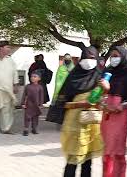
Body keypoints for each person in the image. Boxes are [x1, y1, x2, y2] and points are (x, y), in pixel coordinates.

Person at [49, 46, 109, 177]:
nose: (89, 60)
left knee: (87, 162)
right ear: (81, 59)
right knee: (72, 161)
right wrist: (81, 104)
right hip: (74, 125)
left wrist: (105, 90)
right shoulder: (72, 77)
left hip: (91, 124)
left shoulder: (99, 77)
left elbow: (102, 103)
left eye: (92, 58)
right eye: (86, 57)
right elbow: (63, 103)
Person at [101, 46, 127, 177]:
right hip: (106, 115)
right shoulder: (107, 71)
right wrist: (104, 96)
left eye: (117, 55)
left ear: (124, 57)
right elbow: (97, 96)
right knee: (107, 151)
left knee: (118, 151)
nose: (114, 58)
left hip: (120, 116)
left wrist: (121, 107)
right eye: (112, 56)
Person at [0, 40, 19, 134]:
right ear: (1, 48)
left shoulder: (10, 60)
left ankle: (6, 128)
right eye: (8, 47)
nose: (9, 49)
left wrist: (16, 84)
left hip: (7, 89)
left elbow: (15, 72)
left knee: (7, 109)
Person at [21, 71, 44, 136]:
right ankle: (26, 129)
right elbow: (24, 95)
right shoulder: (27, 86)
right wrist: (23, 103)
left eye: (35, 76)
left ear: (39, 78)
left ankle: (34, 129)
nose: (32, 78)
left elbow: (41, 96)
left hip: (36, 105)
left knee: (35, 118)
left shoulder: (40, 87)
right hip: (29, 105)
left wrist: (41, 104)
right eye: (31, 76)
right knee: (27, 117)